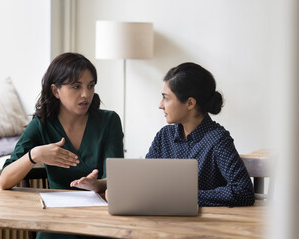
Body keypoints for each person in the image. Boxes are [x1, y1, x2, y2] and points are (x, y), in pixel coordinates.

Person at [73, 62, 255, 207]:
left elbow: (243, 192)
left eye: (166, 98)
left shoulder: (217, 139)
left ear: (190, 103)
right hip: (161, 222)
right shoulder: (164, 136)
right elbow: (144, 180)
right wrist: (109, 187)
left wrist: (183, 197)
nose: (160, 104)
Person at [0, 52, 124, 239]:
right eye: (76, 86)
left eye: (91, 86)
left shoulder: (109, 121)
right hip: (57, 221)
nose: (86, 94)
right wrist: (35, 154)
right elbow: (4, 181)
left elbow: (116, 180)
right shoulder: (41, 125)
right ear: (56, 91)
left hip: (100, 221)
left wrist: (96, 185)